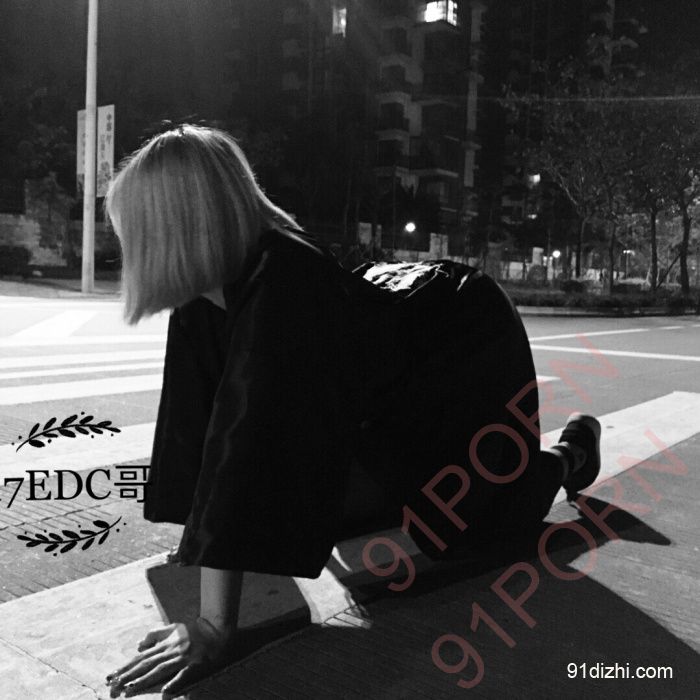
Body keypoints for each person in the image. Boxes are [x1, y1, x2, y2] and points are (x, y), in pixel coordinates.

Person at [103, 124, 602, 698]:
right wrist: (206, 538)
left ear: (173, 228)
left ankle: (571, 453)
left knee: (468, 521)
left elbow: (245, 440)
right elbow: (199, 424)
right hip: (383, 377)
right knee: (334, 514)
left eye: (132, 230)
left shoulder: (283, 278)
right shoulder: (203, 290)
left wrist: (214, 627)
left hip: (459, 341)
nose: (126, 247)